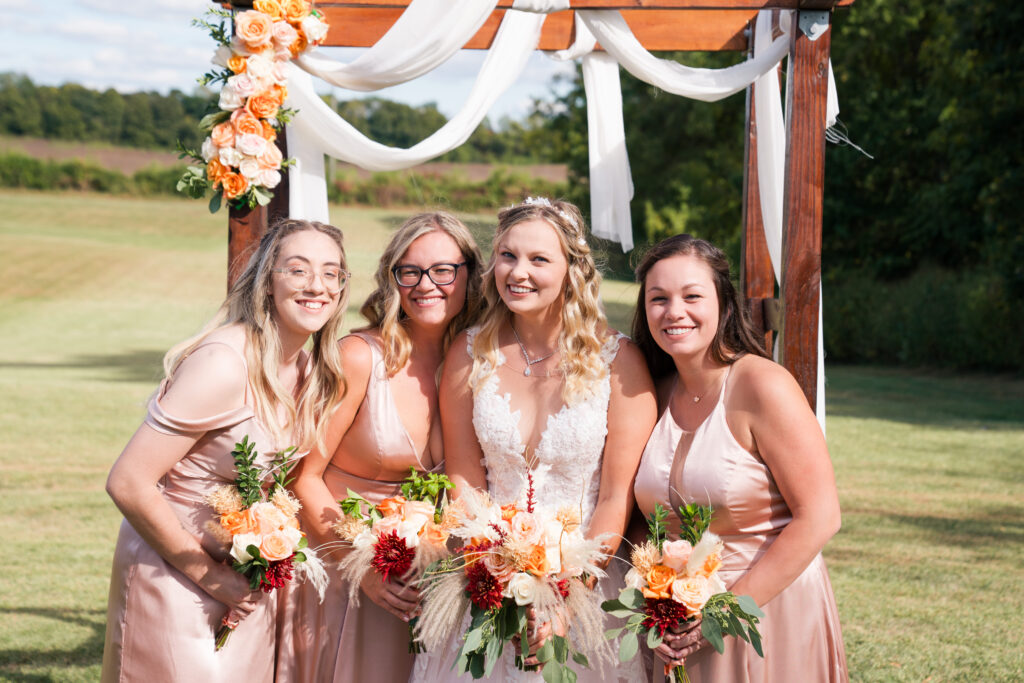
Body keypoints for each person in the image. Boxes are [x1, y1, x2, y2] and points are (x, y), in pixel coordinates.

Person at [411, 197, 657, 682]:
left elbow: (614, 499)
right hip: (486, 574)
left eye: (539, 259)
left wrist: (569, 594)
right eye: (508, 255)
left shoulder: (619, 362)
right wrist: (490, 566)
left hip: (586, 579)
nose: (518, 272)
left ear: (572, 271)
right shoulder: (469, 354)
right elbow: (463, 473)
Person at [101, 219, 351, 682]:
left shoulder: (314, 371)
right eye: (297, 270)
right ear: (267, 281)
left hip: (246, 581)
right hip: (173, 572)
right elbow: (128, 482)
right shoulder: (223, 363)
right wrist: (213, 578)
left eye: (331, 273)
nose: (317, 285)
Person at [630, 234, 848, 682]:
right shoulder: (655, 392)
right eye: (659, 299)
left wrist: (722, 614)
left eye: (692, 296)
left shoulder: (762, 385)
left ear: (724, 304)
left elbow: (820, 516)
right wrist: (655, 600)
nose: (674, 312)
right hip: (674, 620)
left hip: (765, 611)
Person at [280, 212, 484, 682]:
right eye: (409, 271)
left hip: (430, 584)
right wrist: (361, 567)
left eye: (443, 270)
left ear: (470, 275)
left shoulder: (479, 362)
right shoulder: (359, 357)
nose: (425, 284)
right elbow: (302, 476)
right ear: (392, 278)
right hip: (343, 574)